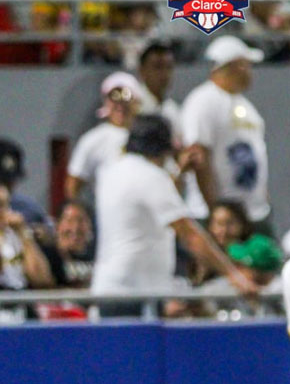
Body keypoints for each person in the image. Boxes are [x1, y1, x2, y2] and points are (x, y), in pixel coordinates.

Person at [90, 115, 258, 317]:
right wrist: (235, 277)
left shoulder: (111, 172)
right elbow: (189, 235)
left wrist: (179, 173)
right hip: (137, 293)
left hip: (108, 289)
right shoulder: (151, 176)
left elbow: (153, 205)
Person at [181, 36, 272, 236]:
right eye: (246, 65)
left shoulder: (245, 105)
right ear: (233, 66)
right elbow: (198, 157)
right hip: (220, 218)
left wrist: (263, 197)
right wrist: (214, 210)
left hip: (252, 212)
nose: (250, 72)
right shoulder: (203, 100)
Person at [65, 71, 142, 200]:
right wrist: (77, 208)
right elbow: (73, 183)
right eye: (114, 97)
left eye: (126, 97)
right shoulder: (92, 139)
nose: (120, 105)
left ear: (136, 101)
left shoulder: (148, 135)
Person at [40, 200, 94, 288]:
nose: (75, 228)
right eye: (69, 221)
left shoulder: (98, 256)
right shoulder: (46, 257)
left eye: (81, 221)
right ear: (57, 225)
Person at [137, 43, 181, 140]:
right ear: (142, 71)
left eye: (169, 67)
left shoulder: (172, 109)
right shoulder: (133, 106)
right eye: (158, 67)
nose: (164, 73)